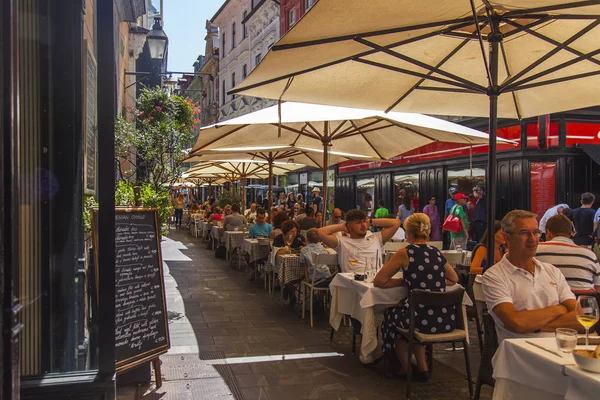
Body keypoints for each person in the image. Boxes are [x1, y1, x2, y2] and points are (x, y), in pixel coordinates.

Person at [374, 213, 459, 381]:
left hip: (418, 319)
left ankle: (404, 366)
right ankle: (423, 367)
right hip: (444, 318)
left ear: (408, 232)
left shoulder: (405, 252)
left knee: (390, 318)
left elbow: (379, 281)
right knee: (414, 319)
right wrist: (431, 279)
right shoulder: (436, 252)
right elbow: (454, 279)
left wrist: (404, 281)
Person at [482, 210, 581, 343]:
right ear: (507, 238)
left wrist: (536, 326)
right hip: (522, 354)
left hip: (562, 348)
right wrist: (559, 308)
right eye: (524, 233)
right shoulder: (494, 276)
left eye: (536, 232)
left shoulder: (552, 271)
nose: (533, 238)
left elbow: (580, 318)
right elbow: (516, 323)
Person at [318, 209, 400, 273]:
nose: (363, 225)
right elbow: (319, 232)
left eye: (364, 221)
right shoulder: (342, 242)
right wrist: (342, 226)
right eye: (358, 222)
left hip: (375, 281)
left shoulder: (376, 238)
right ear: (349, 227)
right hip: (353, 283)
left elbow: (396, 223)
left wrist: (371, 221)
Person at [536, 214, 600, 295]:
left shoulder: (534, 251)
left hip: (547, 304)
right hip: (583, 304)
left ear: (548, 233)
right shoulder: (589, 255)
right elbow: (598, 288)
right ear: (571, 233)